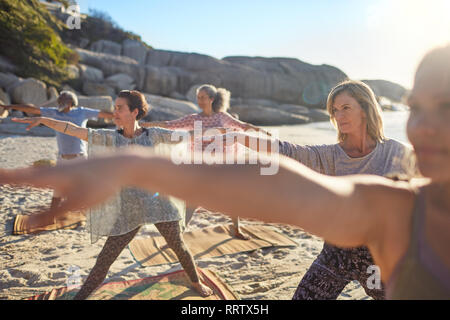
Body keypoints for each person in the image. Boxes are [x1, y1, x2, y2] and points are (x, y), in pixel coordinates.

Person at [2, 45, 450, 299]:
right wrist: (132, 162)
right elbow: (281, 170)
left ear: (369, 110)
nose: (424, 125)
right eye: (415, 109)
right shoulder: (389, 202)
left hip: (378, 264)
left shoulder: (398, 159)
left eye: (444, 107)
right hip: (337, 249)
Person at [213, 80, 418, 299]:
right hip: (336, 252)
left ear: (365, 108)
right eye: (335, 111)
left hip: (377, 256)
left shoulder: (397, 153)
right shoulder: (330, 155)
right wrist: (238, 137)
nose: (339, 116)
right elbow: (286, 150)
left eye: (345, 108)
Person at [12, 90, 213, 298]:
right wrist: (46, 119)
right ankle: (82, 296)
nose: (114, 112)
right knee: (105, 259)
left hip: (159, 204)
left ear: (134, 112)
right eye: (114, 108)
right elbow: (73, 130)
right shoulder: (109, 137)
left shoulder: (154, 134)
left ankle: (196, 282)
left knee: (178, 245)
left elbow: (189, 136)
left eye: (119, 108)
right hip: (128, 210)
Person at [140, 84, 272, 240]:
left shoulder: (222, 117)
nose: (200, 101)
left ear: (212, 99)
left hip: (222, 165)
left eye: (203, 97)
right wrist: (144, 125)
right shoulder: (194, 119)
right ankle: (179, 234)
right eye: (198, 97)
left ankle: (236, 229)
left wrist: (263, 132)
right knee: (192, 200)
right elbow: (169, 125)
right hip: (201, 166)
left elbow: (242, 126)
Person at [1, 91, 114, 212]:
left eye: (62, 100)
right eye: (58, 100)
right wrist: (10, 106)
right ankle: (52, 214)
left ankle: (91, 212)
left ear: (70, 102)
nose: (59, 103)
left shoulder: (82, 111)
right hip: (62, 159)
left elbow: (104, 114)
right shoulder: (54, 112)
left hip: (80, 158)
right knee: (58, 189)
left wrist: (123, 117)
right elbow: (33, 110)